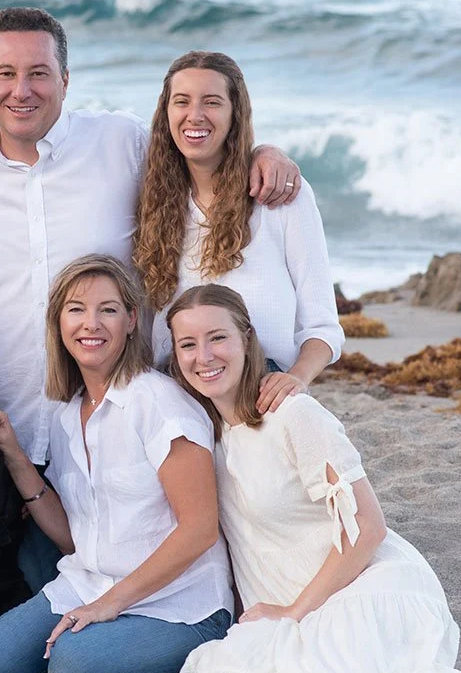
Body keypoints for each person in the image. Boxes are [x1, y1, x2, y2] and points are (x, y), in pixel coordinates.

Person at [0, 7, 304, 472]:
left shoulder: (120, 142)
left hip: (111, 428)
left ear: (65, 80)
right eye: (6, 74)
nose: (21, 90)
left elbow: (196, 145)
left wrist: (264, 152)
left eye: (38, 73)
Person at [166, 284, 461, 673]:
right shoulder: (205, 434)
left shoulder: (293, 415)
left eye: (217, 338)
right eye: (188, 344)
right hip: (291, 596)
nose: (204, 356)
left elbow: (368, 526)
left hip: (360, 582)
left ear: (247, 339)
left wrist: (292, 612)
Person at [0, 255, 233, 673]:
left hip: (180, 605)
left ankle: (152, 648)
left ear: (131, 320)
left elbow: (199, 530)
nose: (91, 324)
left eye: (108, 310)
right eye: (76, 309)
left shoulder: (159, 404)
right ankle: (104, 644)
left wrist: (110, 605)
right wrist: (16, 457)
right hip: (88, 585)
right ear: (58, 322)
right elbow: (73, 539)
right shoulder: (66, 415)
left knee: (73, 666)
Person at [136, 51, 342, 413]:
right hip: (176, 391)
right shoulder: (152, 199)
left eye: (212, 102)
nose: (195, 115)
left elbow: (323, 326)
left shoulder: (279, 197)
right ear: (165, 112)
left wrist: (296, 379)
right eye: (181, 101)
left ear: (236, 113)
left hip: (260, 387)